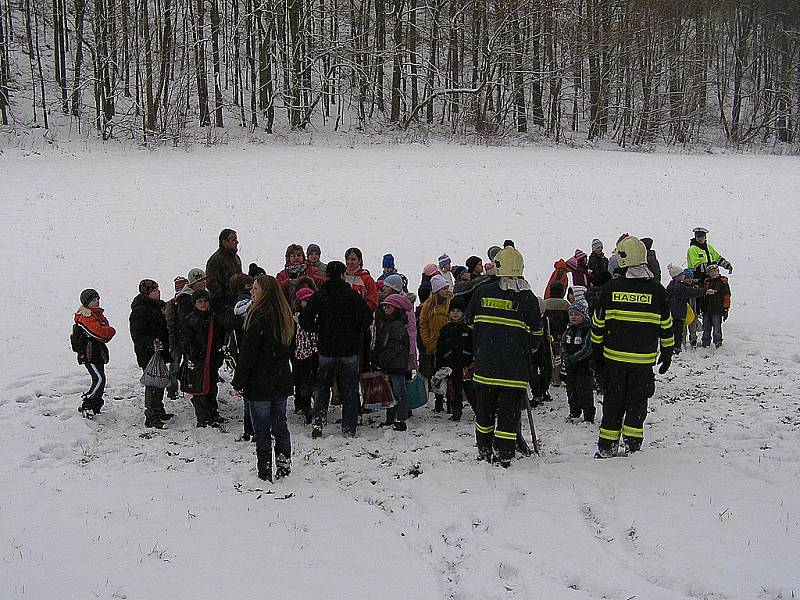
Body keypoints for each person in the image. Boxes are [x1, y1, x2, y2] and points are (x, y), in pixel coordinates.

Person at [591, 236, 674, 458]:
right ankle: (633, 444)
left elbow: (598, 324)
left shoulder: (611, 288)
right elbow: (666, 326)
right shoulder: (657, 291)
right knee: (637, 403)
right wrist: (667, 353)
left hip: (614, 361)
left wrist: (596, 354)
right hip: (642, 362)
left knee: (613, 403)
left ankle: (607, 446)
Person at [466, 246, 543, 467]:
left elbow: (469, 321)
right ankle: (504, 452)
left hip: (486, 367)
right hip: (514, 371)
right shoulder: (528, 298)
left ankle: (484, 448)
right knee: (509, 415)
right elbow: (536, 335)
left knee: (484, 412)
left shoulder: (482, 292)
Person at [231, 275, 295, 482]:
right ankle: (284, 464)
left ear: (265, 292)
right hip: (281, 379)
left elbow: (248, 354)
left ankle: (265, 468)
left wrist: (238, 381)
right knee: (280, 424)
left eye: (256, 289)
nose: (252, 292)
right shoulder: (285, 316)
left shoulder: (258, 317)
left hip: (260, 382)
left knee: (262, 427)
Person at [299, 261, 371, 438]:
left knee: (322, 386)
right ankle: (349, 427)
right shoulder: (352, 296)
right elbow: (367, 318)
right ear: (342, 274)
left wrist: (317, 328)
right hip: (348, 348)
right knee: (350, 388)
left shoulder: (320, 295)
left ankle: (318, 421)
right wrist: (355, 328)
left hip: (326, 348)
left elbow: (304, 319)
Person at [129, 279, 174, 428]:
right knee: (152, 383)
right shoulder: (140, 310)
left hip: (159, 352)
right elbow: (137, 335)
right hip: (148, 354)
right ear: (147, 293)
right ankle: (151, 415)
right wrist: (150, 344)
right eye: (155, 290)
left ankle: (158, 409)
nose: (158, 292)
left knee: (159, 381)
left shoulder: (156, 307)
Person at [180, 288, 225, 428]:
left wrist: (218, 352)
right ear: (194, 303)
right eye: (200, 301)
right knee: (199, 389)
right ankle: (202, 416)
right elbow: (185, 340)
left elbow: (220, 337)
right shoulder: (190, 319)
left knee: (211, 387)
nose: (203, 304)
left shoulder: (214, 318)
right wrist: (196, 352)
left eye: (205, 301)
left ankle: (213, 412)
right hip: (198, 360)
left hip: (211, 358)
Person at [73, 289, 116, 417]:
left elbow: (104, 331)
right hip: (89, 354)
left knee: (100, 379)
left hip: (97, 352)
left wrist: (107, 331)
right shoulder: (85, 317)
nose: (97, 302)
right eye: (93, 300)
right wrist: (110, 330)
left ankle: (95, 404)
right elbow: (101, 333)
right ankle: (88, 402)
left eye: (98, 299)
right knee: (99, 379)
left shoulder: (96, 314)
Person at [372, 294, 411, 431]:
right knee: (391, 393)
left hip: (396, 364)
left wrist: (382, 359)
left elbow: (394, 346)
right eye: (385, 306)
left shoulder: (397, 326)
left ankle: (401, 419)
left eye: (389, 307)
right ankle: (391, 418)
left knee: (399, 392)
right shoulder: (387, 323)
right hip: (391, 364)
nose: (386, 309)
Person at [435, 296, 474, 421]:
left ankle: (478, 410)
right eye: (453, 311)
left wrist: (473, 361)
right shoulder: (445, 329)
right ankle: (456, 410)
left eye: (458, 311)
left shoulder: (468, 329)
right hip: (450, 366)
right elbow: (440, 348)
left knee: (470, 390)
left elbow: (473, 346)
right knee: (453, 391)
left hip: (466, 365)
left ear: (463, 313)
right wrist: (440, 365)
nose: (455, 314)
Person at [419, 275, 452, 412]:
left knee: (450, 373)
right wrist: (427, 341)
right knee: (437, 373)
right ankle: (439, 401)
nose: (446, 290)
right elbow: (423, 324)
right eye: (443, 288)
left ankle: (451, 403)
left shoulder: (451, 302)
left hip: (449, 343)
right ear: (437, 290)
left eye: (447, 287)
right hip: (434, 344)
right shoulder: (428, 305)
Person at [665, 264, 713, 355]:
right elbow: (691, 292)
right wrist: (705, 291)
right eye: (682, 274)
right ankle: (677, 348)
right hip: (678, 313)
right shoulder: (678, 287)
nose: (684, 276)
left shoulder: (673, 285)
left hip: (674, 312)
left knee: (676, 331)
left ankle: (675, 346)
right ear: (677, 276)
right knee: (678, 331)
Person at [561, 302, 595, 423]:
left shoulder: (587, 331)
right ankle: (574, 412)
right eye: (571, 314)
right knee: (571, 390)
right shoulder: (569, 330)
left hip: (584, 367)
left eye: (576, 314)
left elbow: (586, 349)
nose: (573, 317)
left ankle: (588, 415)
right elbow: (563, 343)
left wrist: (574, 358)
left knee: (585, 391)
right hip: (570, 367)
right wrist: (564, 355)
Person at [291, 286, 318, 424]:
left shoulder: (318, 316)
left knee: (317, 383)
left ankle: (317, 408)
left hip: (316, 354)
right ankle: (305, 408)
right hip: (300, 356)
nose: (307, 303)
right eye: (305, 300)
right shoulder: (294, 318)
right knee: (303, 384)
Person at [206, 228, 243, 317]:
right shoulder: (215, 261)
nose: (236, 242)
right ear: (224, 242)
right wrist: (227, 299)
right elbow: (212, 286)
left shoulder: (236, 258)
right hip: (222, 308)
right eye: (233, 240)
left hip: (237, 303)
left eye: (236, 240)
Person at [164, 276, 188, 399]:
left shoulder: (185, 301)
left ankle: (179, 385)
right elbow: (169, 324)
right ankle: (172, 389)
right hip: (177, 341)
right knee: (174, 365)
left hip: (184, 339)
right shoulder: (172, 304)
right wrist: (172, 341)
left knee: (181, 364)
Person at [543, 281, 570, 388]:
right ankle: (556, 378)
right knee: (558, 357)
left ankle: (547, 377)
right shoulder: (565, 304)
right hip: (561, 334)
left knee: (547, 357)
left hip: (548, 334)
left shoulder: (545, 303)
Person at [701, 264, 731, 348]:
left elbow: (726, 296)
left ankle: (718, 341)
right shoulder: (706, 282)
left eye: (714, 271)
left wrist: (726, 308)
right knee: (706, 327)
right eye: (711, 272)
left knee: (717, 326)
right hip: (707, 309)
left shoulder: (722, 282)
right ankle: (705, 342)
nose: (713, 273)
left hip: (717, 309)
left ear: (718, 271)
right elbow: (703, 296)